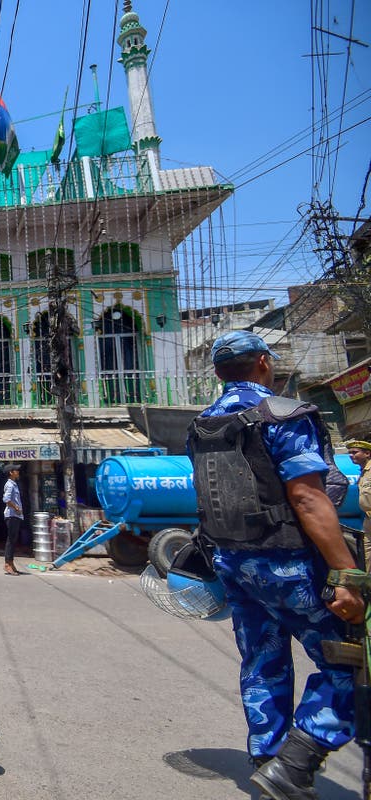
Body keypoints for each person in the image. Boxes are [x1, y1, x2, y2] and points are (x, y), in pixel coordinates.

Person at [188, 331, 364, 799]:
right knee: (348, 662)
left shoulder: (203, 423)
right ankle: (298, 760)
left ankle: (268, 761)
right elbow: (307, 497)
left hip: (235, 565)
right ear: (264, 363)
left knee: (263, 663)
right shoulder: (283, 415)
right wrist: (346, 575)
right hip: (289, 565)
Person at [348, 439, 371, 569]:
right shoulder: (362, 472)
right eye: (349, 453)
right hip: (367, 519)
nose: (351, 455)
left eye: (355, 452)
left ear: (367, 453)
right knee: (368, 554)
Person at [1, 464, 23, 575]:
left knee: (13, 540)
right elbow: (6, 499)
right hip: (12, 515)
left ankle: (11, 563)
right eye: (16, 471)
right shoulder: (9, 485)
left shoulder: (14, 484)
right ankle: (7, 564)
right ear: (11, 472)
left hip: (16, 515)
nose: (18, 472)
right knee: (11, 540)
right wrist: (16, 508)